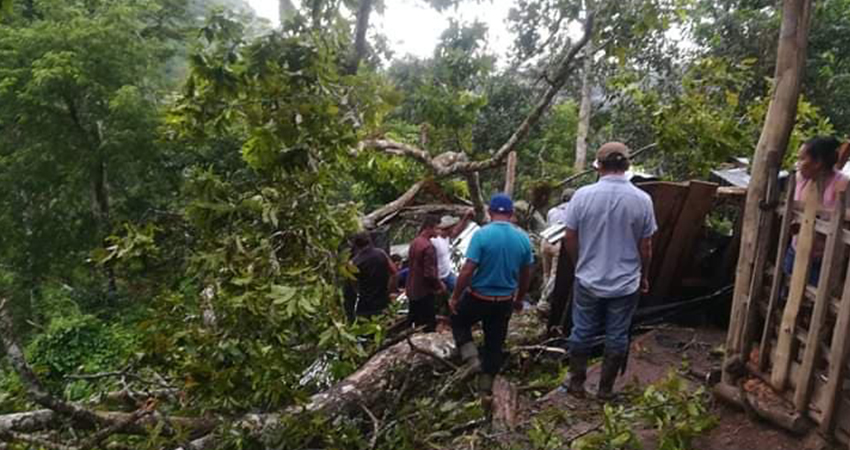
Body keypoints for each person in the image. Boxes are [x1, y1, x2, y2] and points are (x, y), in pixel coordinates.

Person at [562, 142, 657, 400]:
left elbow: (569, 237)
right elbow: (646, 246)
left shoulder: (582, 196)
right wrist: (644, 275)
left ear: (599, 166)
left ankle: (576, 384)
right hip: (626, 282)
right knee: (617, 335)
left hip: (587, 278)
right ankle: (605, 390)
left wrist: (579, 263)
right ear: (627, 166)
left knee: (582, 331)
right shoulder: (642, 200)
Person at [449, 193, 534, 396]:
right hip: (504, 301)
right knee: (494, 344)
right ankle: (485, 389)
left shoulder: (482, 235)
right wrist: (519, 299)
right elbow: (526, 274)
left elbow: (467, 270)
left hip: (479, 297)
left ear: (489, 212)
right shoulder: (523, 239)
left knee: (458, 319)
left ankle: (472, 359)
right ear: (511, 214)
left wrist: (455, 296)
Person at [784, 136, 849, 286]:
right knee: (786, 290)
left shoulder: (842, 184)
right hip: (796, 250)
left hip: (823, 259)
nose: (798, 164)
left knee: (812, 296)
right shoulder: (800, 179)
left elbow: (845, 218)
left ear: (818, 162)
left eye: (802, 159)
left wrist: (817, 220)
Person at [343, 232, 398, 321]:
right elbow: (394, 272)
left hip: (365, 304)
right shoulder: (381, 254)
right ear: (370, 241)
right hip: (382, 301)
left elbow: (354, 284)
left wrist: (360, 292)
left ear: (355, 245)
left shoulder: (354, 263)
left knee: (365, 326)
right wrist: (390, 289)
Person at [406, 215, 446, 332]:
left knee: (414, 321)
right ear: (429, 228)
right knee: (428, 325)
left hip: (412, 290)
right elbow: (430, 274)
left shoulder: (415, 242)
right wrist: (439, 285)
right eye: (437, 228)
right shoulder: (428, 247)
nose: (439, 231)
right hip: (424, 291)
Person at [431, 211, 474, 294]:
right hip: (438, 277)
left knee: (462, 290)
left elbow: (458, 230)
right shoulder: (435, 241)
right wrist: (437, 281)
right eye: (453, 227)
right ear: (449, 228)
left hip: (447, 273)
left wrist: (466, 218)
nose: (454, 228)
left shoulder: (446, 237)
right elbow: (429, 263)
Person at [542, 188, 576, 286]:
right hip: (559, 244)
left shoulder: (552, 211)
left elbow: (548, 226)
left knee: (546, 273)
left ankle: (543, 291)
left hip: (546, 241)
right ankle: (548, 294)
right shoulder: (573, 211)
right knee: (554, 274)